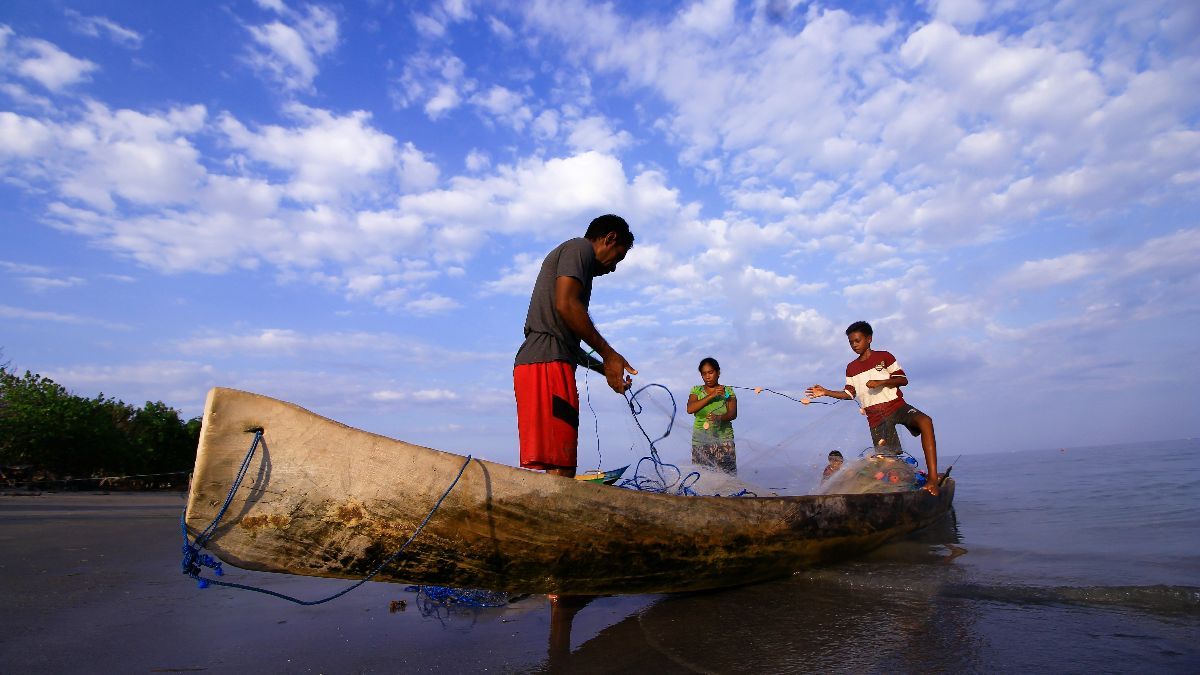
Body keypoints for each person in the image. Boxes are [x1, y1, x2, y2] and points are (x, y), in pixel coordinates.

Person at [513, 214, 638, 479]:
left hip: (545, 361)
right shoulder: (579, 248)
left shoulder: (575, 260)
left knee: (557, 461)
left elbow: (566, 334)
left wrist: (605, 367)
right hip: (547, 365)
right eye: (617, 257)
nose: (614, 268)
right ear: (609, 238)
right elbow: (566, 304)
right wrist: (610, 354)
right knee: (561, 463)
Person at [805, 321, 940, 496]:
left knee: (925, 421)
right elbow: (849, 393)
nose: (854, 345)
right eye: (851, 342)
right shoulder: (851, 368)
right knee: (889, 462)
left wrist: (882, 382)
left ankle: (932, 480)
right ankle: (898, 492)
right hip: (877, 418)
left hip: (897, 406)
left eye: (857, 340)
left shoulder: (884, 357)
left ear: (869, 339)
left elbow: (902, 379)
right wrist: (825, 392)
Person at [685, 357, 738, 474]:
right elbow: (690, 409)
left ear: (718, 372)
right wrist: (712, 395)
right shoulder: (696, 390)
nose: (708, 376)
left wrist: (719, 418)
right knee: (702, 478)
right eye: (704, 374)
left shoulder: (728, 391)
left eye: (711, 372)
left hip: (724, 440)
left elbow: (733, 414)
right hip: (701, 441)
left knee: (727, 478)